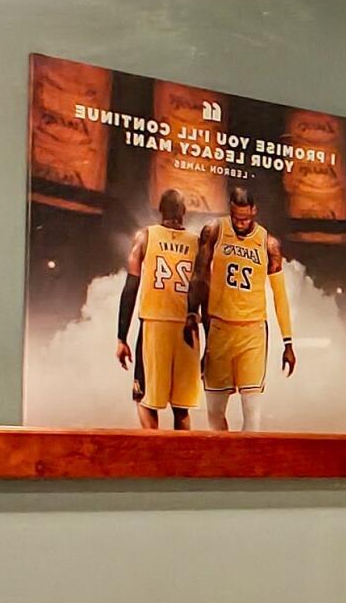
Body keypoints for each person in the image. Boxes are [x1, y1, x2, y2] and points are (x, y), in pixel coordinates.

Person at [199, 180, 300, 431]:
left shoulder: (268, 243)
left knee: (252, 413)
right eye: (236, 218)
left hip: (252, 331)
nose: (241, 223)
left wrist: (288, 341)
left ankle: (245, 467)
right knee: (213, 411)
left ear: (254, 211)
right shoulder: (215, 230)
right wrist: (197, 317)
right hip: (220, 329)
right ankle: (223, 462)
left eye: (245, 218)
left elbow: (279, 295)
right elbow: (200, 276)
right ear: (230, 211)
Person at [115, 188, 205, 429]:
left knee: (145, 400)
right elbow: (205, 290)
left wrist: (121, 336)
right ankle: (181, 463)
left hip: (155, 326)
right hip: (188, 330)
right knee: (182, 409)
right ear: (184, 211)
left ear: (160, 211)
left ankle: (156, 462)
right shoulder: (198, 243)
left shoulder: (145, 237)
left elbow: (131, 287)